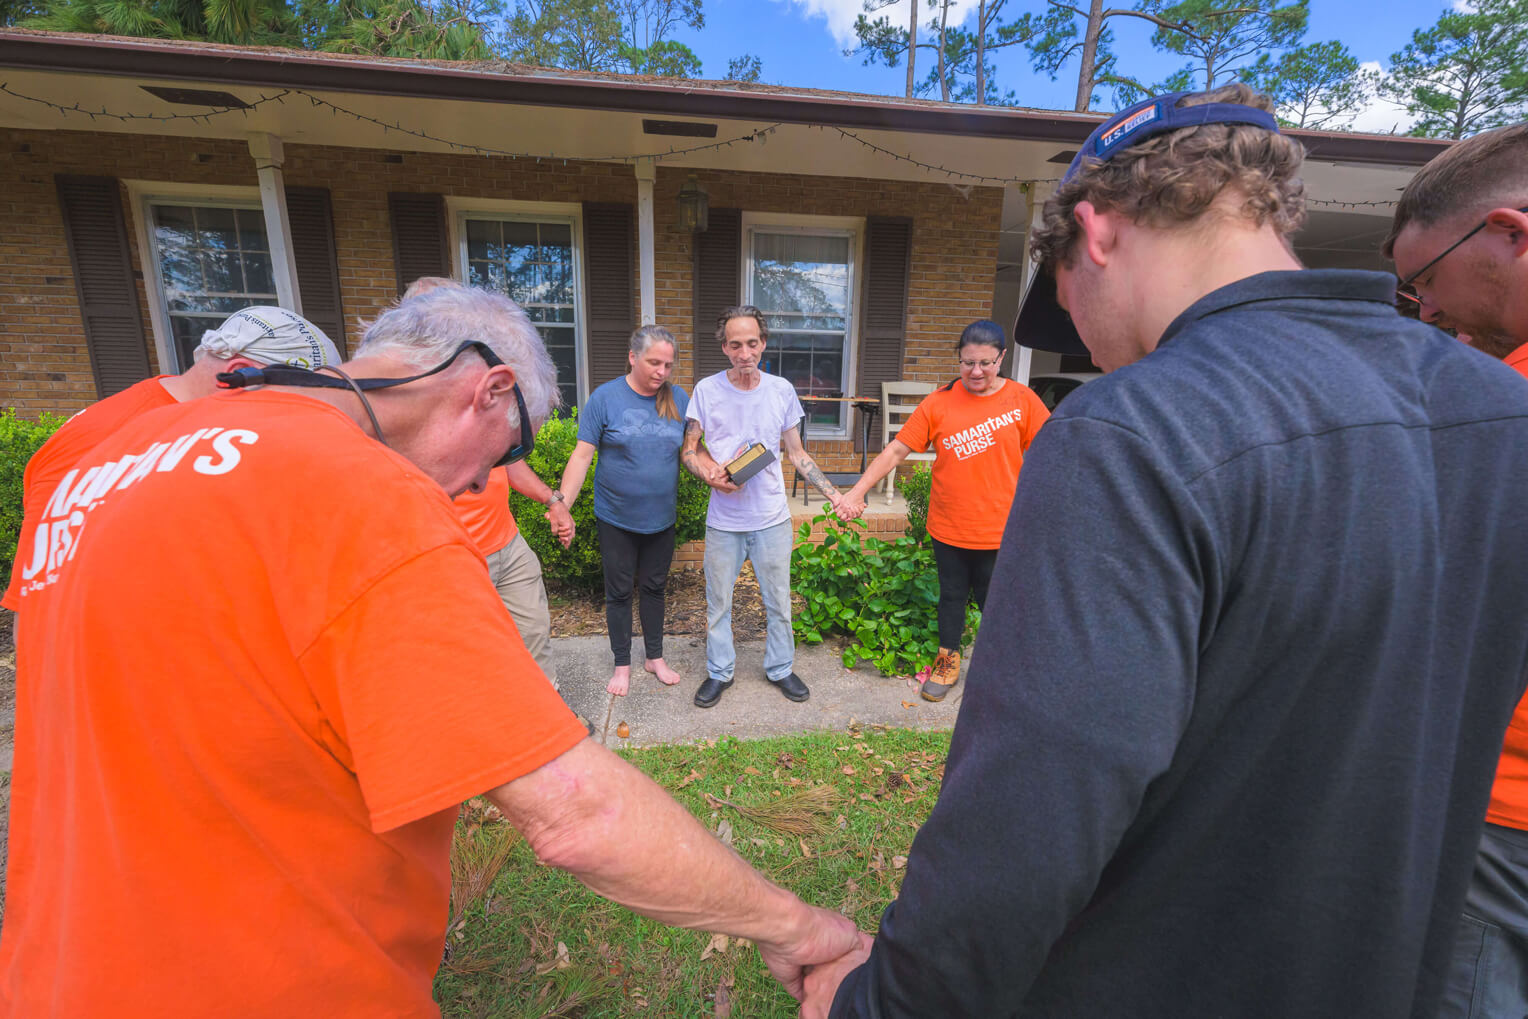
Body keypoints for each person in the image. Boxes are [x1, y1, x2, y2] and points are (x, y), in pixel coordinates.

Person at [802, 86, 1528, 1019]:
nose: (1097, 355)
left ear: (1095, 234)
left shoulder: (1131, 427)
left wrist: (877, 1003)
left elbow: (1024, 828)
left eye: (1069, 310)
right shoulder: (1499, 412)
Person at [0, 285, 860, 1016]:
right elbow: (574, 811)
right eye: (507, 452)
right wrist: (803, 927)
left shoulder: (105, 458)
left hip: (55, 975)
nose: (476, 484)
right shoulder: (360, 495)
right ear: (487, 390)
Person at [1384, 122, 1528, 1019]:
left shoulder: (1503, 412)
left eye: (1428, 282)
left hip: (1504, 798)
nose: (1427, 313)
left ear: (1511, 233)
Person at [3, 305, 339, 611]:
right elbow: (41, 603)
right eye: (296, 399)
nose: (298, 417)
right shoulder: (100, 441)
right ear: (235, 378)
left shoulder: (207, 425)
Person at [835, 320, 1048, 701]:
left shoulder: (1023, 400)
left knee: (996, 602)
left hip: (1002, 528)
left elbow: (1050, 453)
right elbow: (897, 450)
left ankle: (1004, 669)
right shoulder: (939, 402)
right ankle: (947, 663)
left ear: (1002, 358)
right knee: (951, 596)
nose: (976, 372)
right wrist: (858, 492)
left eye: (985, 363)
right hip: (950, 525)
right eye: (967, 363)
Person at [397, 276, 573, 688]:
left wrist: (553, 500)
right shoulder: (396, 407)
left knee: (533, 636)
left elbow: (506, 463)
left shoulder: (476, 392)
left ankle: (547, 720)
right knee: (463, 659)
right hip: (447, 558)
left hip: (507, 545)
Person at [682, 305, 843, 708]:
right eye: (735, 344)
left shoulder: (781, 390)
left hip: (771, 518)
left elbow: (797, 452)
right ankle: (720, 672)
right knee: (718, 602)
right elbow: (689, 450)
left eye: (752, 343)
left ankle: (781, 668)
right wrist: (709, 474)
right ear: (724, 347)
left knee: (779, 601)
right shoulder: (706, 390)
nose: (744, 352)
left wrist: (835, 494)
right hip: (724, 520)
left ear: (763, 343)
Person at [558, 325, 688, 696]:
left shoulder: (679, 398)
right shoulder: (606, 398)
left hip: (661, 518)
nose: (661, 372)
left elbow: (692, 452)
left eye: (667, 364)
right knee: (618, 592)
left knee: (654, 588)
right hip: (616, 517)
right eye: (653, 363)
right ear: (633, 358)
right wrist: (562, 505)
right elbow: (582, 456)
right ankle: (622, 663)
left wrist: (720, 471)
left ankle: (655, 658)